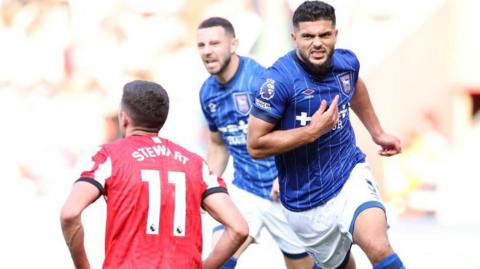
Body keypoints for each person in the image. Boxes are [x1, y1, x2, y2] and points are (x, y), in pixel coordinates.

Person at [247, 1, 406, 269]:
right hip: (305, 202)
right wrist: (311, 132)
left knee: (378, 245)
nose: (317, 43)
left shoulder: (347, 62)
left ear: (335, 34)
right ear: (294, 37)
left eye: (324, 35)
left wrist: (377, 132)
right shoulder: (277, 82)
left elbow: (354, 86)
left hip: (348, 173)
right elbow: (256, 144)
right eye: (308, 36)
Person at [60, 80, 248, 269]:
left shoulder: (109, 157)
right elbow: (238, 228)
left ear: (124, 118)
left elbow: (70, 213)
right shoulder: (195, 163)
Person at [197, 17, 317, 269]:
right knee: (217, 260)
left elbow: (296, 132)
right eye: (201, 45)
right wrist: (202, 188)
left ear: (233, 45)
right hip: (245, 190)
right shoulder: (207, 93)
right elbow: (219, 145)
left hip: (283, 191)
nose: (207, 51)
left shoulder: (260, 82)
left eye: (215, 43)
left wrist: (285, 175)